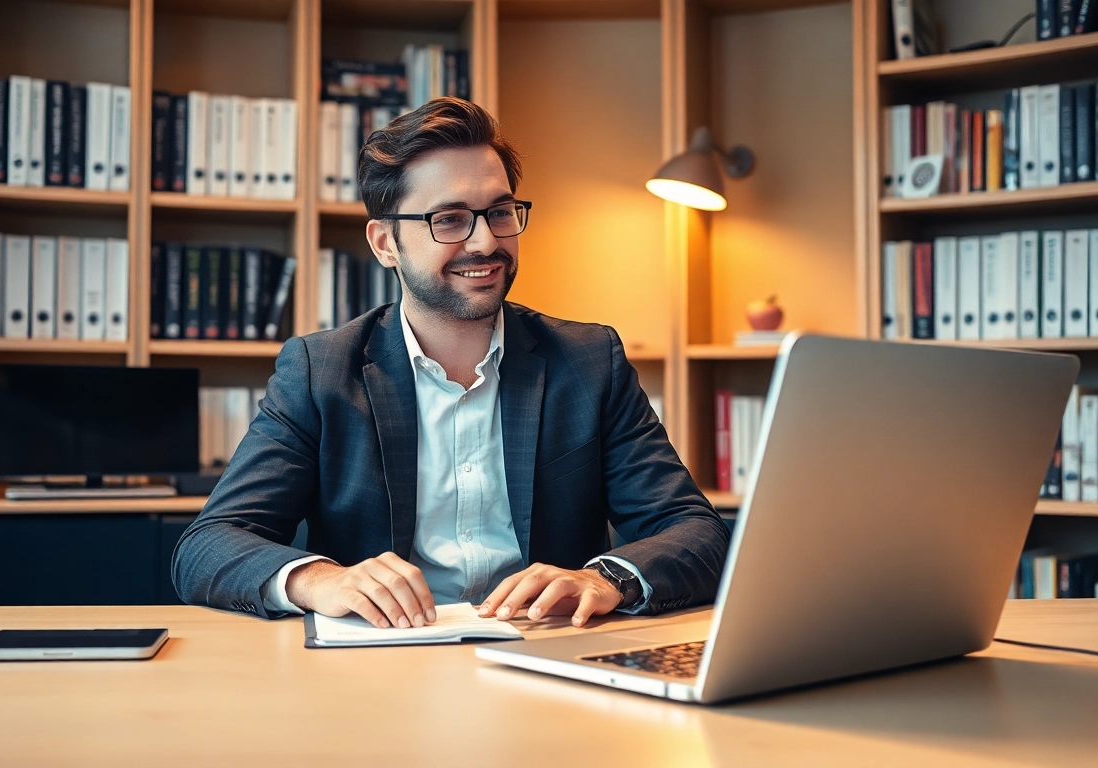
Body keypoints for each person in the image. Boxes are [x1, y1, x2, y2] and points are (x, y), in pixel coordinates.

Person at [172, 97, 730, 630]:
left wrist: (607, 580)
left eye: (500, 212)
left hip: (547, 660)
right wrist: (320, 581)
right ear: (386, 243)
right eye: (450, 219)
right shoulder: (322, 371)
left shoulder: (588, 362)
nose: (485, 241)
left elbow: (697, 532)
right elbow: (208, 545)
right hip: (382, 670)